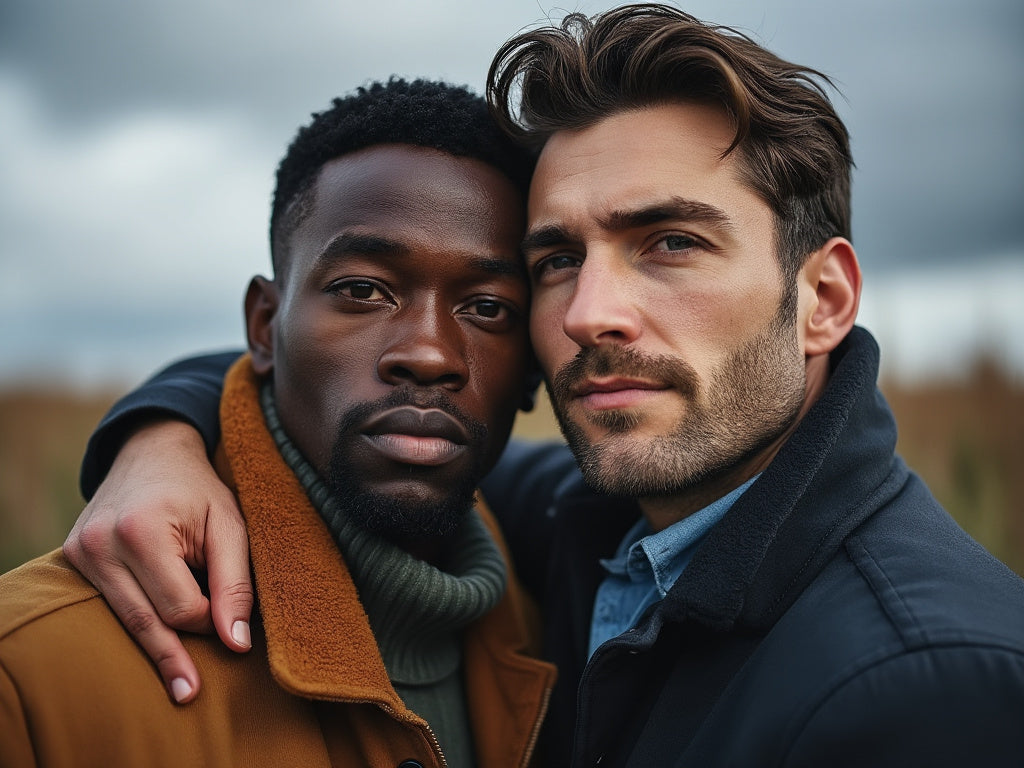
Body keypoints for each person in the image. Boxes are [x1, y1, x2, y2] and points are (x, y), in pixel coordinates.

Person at [64, 5, 1024, 766]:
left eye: (670, 243)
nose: (587, 313)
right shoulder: (587, 527)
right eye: (556, 258)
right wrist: (164, 438)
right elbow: (342, 395)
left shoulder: (929, 683)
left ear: (823, 299)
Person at [0, 78, 558, 768]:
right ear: (265, 326)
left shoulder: (567, 621)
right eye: (363, 290)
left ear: (535, 364)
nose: (429, 354)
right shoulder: (31, 670)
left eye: (488, 307)